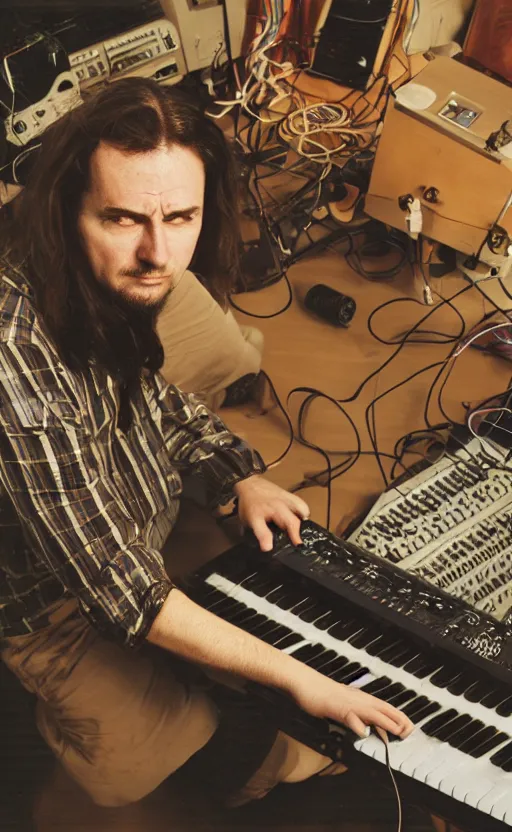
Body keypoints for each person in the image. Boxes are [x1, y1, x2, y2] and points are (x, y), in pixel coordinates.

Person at [0, 77, 412, 813]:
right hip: (48, 600)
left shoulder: (116, 277)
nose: (158, 253)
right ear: (67, 212)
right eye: (123, 218)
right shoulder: (11, 356)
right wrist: (296, 678)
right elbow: (121, 590)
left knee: (280, 597)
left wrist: (236, 475)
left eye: (181, 217)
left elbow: (152, 395)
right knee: (185, 755)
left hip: (132, 520)